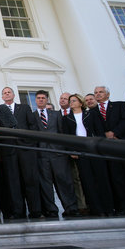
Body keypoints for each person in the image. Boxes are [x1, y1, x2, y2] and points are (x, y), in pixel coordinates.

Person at [63, 94, 113, 216]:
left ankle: (109, 207)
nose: (72, 103)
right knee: (87, 180)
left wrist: (100, 146)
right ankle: (96, 209)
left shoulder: (91, 114)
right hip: (80, 152)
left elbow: (99, 131)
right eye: (70, 101)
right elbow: (66, 136)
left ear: (81, 103)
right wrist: (72, 150)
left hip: (94, 149)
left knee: (102, 178)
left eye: (74, 101)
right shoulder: (67, 118)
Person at [33, 90, 79, 218]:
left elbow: (62, 132)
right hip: (41, 154)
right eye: (38, 98)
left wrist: (66, 150)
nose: (41, 100)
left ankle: (71, 208)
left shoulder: (56, 114)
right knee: (46, 184)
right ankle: (51, 210)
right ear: (35, 100)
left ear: (47, 100)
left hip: (58, 153)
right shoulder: (32, 116)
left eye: (43, 98)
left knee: (64, 182)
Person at [0, 86, 41, 219]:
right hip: (9, 151)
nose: (6, 94)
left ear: (13, 94)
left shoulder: (25, 108)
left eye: (8, 92)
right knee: (13, 182)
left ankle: (35, 210)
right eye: (4, 93)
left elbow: (33, 126)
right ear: (2, 97)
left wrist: (30, 143)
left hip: (26, 150)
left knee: (30, 180)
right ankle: (18, 211)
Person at [94, 85, 125, 215]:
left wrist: (114, 132)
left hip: (124, 145)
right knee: (118, 179)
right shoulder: (93, 111)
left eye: (101, 92)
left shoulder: (120, 105)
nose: (98, 94)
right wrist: (105, 136)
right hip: (109, 149)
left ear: (108, 94)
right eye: (96, 93)